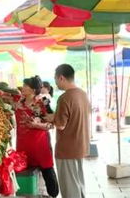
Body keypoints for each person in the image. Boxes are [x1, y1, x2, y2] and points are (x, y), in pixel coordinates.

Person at [0, 76, 59, 198]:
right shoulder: (18, 100)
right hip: (23, 148)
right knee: (26, 177)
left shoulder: (44, 101)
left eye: (26, 86)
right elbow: (1, 94)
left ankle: (53, 195)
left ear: (33, 89)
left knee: (48, 174)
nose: (23, 88)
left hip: (40, 146)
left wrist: (37, 124)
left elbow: (52, 124)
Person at [47, 64, 90, 198]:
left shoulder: (65, 98)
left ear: (61, 78)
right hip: (80, 146)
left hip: (67, 149)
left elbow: (60, 125)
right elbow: (75, 116)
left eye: (55, 79)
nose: (55, 83)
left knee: (69, 187)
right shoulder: (83, 94)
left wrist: (51, 119)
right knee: (78, 182)